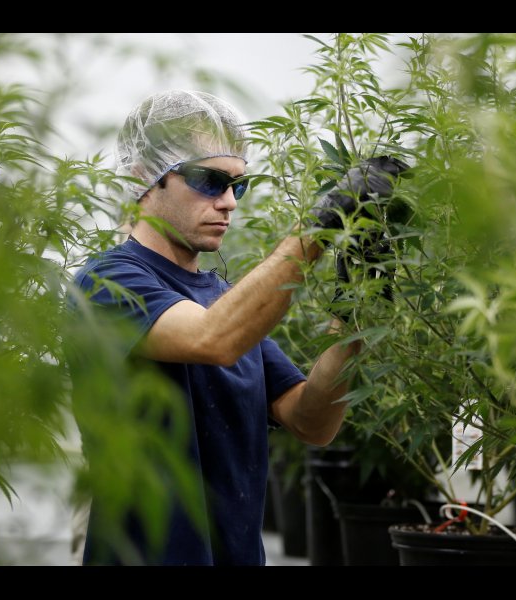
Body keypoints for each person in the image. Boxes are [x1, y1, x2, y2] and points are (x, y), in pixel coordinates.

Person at [73, 90, 407, 565]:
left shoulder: (223, 300)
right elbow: (213, 339)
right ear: (145, 177)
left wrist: (353, 315)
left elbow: (311, 421)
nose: (229, 202)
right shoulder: (108, 283)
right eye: (210, 181)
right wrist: (319, 227)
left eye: (238, 185)